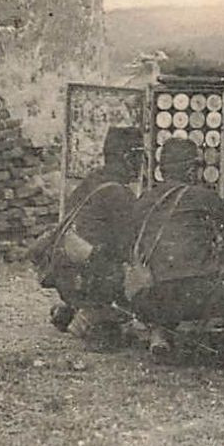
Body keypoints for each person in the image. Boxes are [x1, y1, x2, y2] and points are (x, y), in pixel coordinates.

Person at [126, 137, 224, 361]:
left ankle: (160, 332)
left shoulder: (143, 201)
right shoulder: (204, 197)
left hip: (149, 297)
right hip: (200, 295)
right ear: (191, 171)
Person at [36, 126, 140, 345]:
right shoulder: (120, 194)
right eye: (139, 156)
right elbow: (129, 247)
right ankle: (93, 314)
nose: (141, 164)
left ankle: (77, 308)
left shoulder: (92, 180)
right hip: (88, 279)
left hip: (63, 274)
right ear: (127, 157)